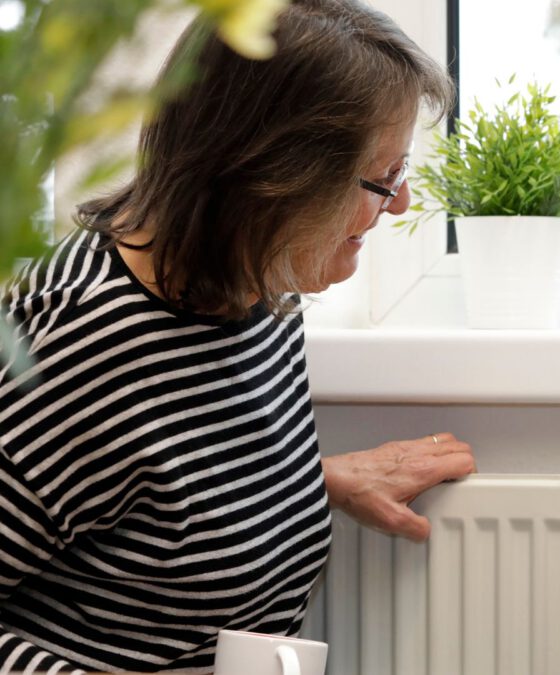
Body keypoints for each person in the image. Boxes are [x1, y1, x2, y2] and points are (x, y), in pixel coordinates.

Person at [0, 1, 474, 672]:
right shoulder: (80, 346)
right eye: (383, 178)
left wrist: (316, 481)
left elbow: (163, 481)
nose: (399, 204)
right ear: (275, 182)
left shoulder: (261, 285)